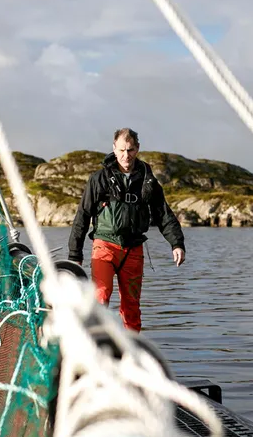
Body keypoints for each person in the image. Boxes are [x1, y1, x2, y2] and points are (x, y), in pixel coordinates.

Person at [68, 127, 186, 332]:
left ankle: (132, 352)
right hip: (104, 245)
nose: (126, 155)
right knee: (101, 296)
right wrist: (74, 254)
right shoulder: (99, 179)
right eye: (122, 150)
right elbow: (83, 216)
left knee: (131, 307)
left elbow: (163, 213)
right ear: (114, 149)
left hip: (133, 249)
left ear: (137, 149)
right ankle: (96, 344)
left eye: (130, 150)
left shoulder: (148, 180)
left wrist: (177, 243)